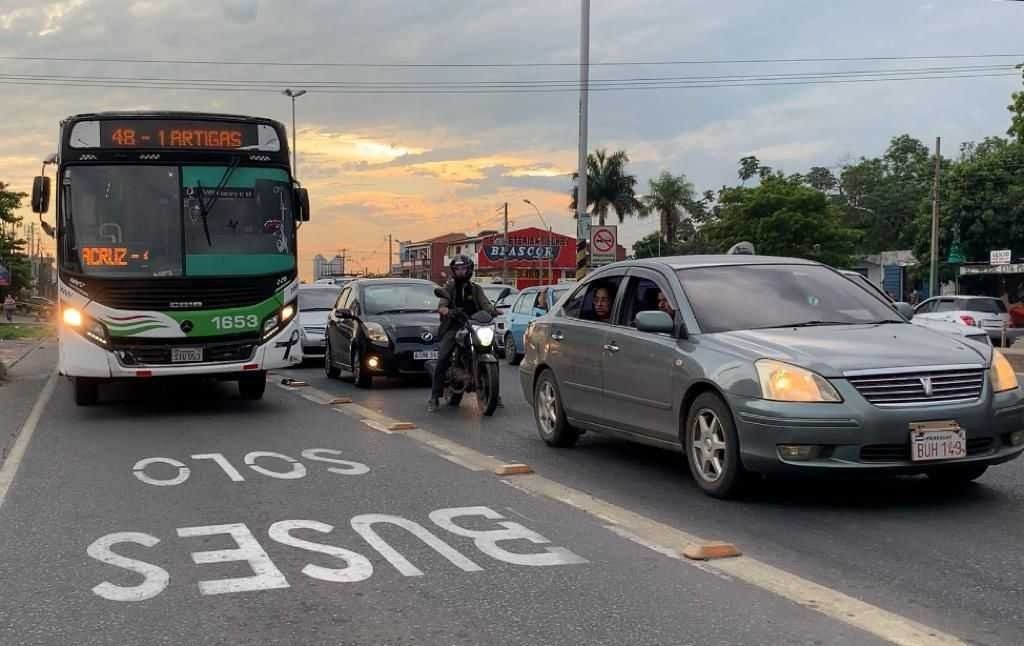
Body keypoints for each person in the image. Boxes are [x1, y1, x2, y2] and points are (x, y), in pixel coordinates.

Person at [428, 255, 498, 412]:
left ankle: (494, 392)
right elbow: (442, 303)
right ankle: (434, 396)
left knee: (491, 349)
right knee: (443, 356)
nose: (460, 271)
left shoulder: (476, 289)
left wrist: (494, 310)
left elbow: (485, 305)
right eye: (457, 269)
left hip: (473, 326)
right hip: (454, 326)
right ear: (453, 271)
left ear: (470, 269)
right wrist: (445, 309)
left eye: (463, 268)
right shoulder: (449, 288)